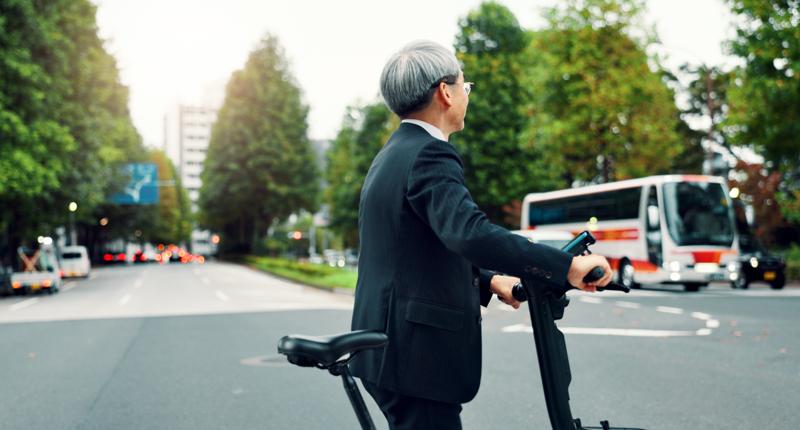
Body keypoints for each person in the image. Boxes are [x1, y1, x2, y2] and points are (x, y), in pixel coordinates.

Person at [350, 40, 612, 430]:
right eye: (465, 85)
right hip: (416, 356)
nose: (466, 94)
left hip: (386, 346)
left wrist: (489, 281)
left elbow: (418, 246)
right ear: (445, 92)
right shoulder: (430, 153)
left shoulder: (392, 154)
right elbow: (470, 233)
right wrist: (567, 266)